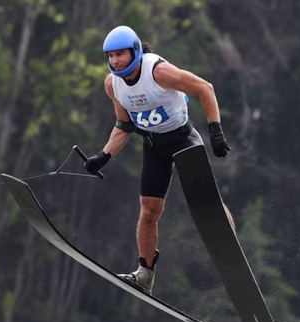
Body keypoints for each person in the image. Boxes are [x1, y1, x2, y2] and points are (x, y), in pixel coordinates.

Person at [84, 25, 232, 294]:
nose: (115, 61)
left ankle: (231, 254)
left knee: (206, 202)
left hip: (183, 140)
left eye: (120, 55)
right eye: (110, 56)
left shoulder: (158, 72)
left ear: (136, 52)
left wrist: (216, 131)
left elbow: (204, 88)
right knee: (149, 210)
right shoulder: (113, 84)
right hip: (154, 146)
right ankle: (144, 274)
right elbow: (123, 126)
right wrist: (102, 156)